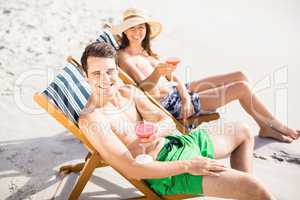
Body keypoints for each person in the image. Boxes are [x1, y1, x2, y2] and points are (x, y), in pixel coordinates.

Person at [78, 41, 275, 199]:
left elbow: (167, 121)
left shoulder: (128, 92)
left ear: (117, 71)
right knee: (255, 187)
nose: (105, 79)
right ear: (86, 77)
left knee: (243, 131)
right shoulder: (93, 119)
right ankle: (247, 191)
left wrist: (157, 131)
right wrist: (190, 165)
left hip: (178, 142)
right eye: (96, 73)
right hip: (168, 170)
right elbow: (133, 169)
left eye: (110, 71)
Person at [114, 8, 299, 143]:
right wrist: (159, 74)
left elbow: (172, 77)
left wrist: (185, 95)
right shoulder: (125, 57)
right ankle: (276, 125)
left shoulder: (145, 51)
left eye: (141, 27)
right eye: (132, 28)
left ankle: (265, 125)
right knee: (241, 88)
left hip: (179, 93)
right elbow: (145, 90)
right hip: (168, 105)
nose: (137, 32)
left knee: (240, 75)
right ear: (124, 31)